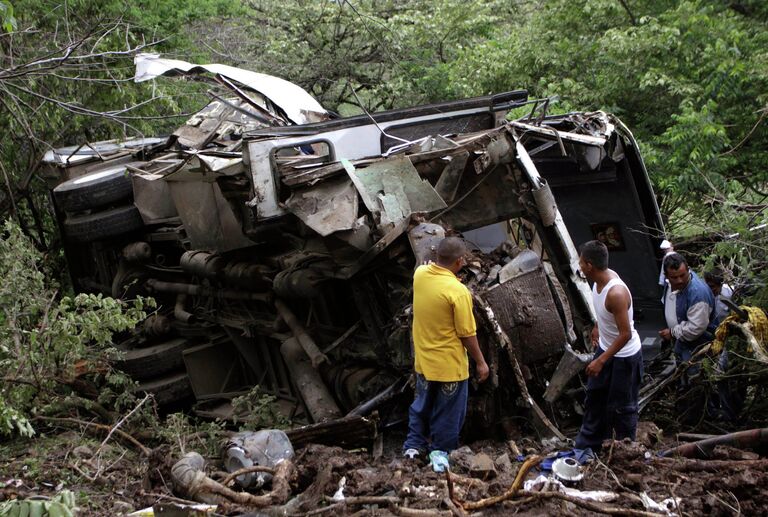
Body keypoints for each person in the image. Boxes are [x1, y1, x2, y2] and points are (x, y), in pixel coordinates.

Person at [403, 237, 490, 467]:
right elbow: (467, 334)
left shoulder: (420, 276)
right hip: (450, 367)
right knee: (449, 414)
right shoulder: (458, 291)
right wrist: (481, 362)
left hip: (424, 362)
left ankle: (412, 447)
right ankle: (439, 455)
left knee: (421, 405)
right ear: (460, 261)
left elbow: (426, 266)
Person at [574, 240, 643, 452]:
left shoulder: (616, 293)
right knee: (595, 397)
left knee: (623, 407)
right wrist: (598, 325)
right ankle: (588, 447)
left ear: (589, 265)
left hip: (625, 356)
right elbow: (606, 313)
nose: (579, 266)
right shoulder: (597, 282)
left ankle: (625, 451)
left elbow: (625, 334)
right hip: (606, 346)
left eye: (581, 262)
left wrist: (601, 361)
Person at [659, 253, 718, 378]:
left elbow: (696, 328)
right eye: (674, 277)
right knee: (684, 373)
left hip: (699, 347)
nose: (679, 280)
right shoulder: (668, 284)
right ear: (667, 276)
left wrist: (673, 332)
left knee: (699, 379)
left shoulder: (697, 293)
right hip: (682, 342)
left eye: (682, 275)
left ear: (688, 269)